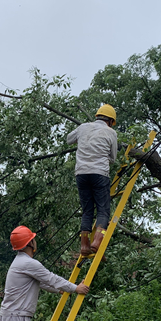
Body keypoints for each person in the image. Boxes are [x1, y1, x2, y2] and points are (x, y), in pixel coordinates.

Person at [66, 104, 118, 256]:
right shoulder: (111, 132)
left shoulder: (83, 127)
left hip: (81, 173)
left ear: (97, 117)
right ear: (110, 121)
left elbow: (69, 139)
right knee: (103, 209)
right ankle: (96, 242)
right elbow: (113, 158)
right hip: (99, 173)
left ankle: (84, 245)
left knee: (87, 211)